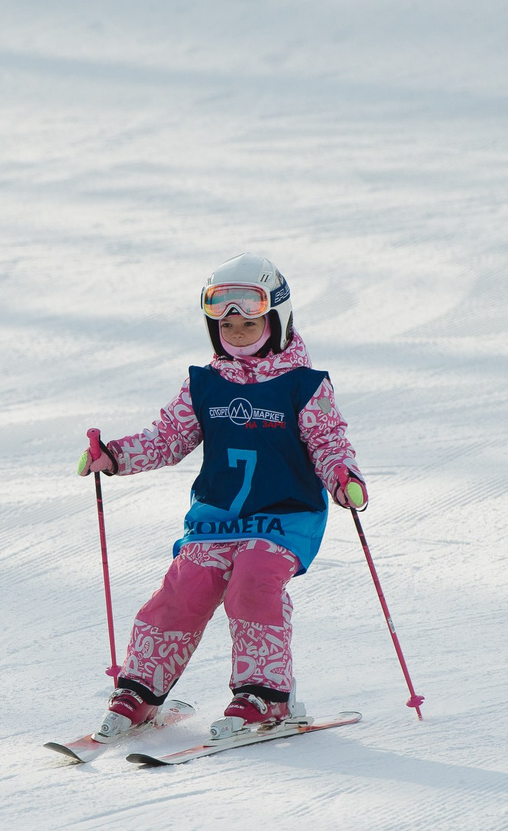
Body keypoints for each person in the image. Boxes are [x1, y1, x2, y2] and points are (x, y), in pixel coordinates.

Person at [80, 253, 369, 741]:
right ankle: (140, 690)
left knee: (254, 581)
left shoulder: (304, 387)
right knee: (186, 586)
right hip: (217, 516)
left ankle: (265, 694)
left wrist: (344, 477)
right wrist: (115, 455)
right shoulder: (204, 385)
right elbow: (168, 437)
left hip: (284, 516)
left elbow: (327, 441)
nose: (237, 332)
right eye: (226, 325)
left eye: (250, 322)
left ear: (276, 320)